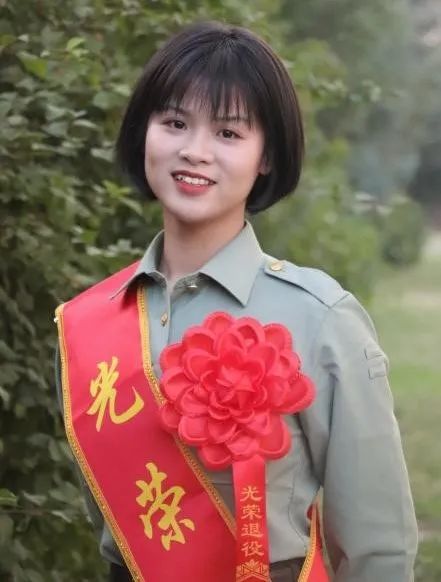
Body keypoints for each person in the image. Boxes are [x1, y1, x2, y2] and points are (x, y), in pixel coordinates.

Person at [55, 20, 418, 582]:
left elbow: (378, 547)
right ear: (144, 132)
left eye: (228, 133)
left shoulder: (320, 318)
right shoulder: (90, 320)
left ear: (266, 155)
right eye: (175, 123)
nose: (194, 152)